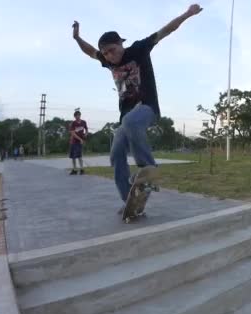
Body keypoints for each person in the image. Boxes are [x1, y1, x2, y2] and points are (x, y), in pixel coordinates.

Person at [71, 4, 203, 210]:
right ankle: (131, 201)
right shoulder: (108, 62)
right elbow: (90, 52)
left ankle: (148, 168)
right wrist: (77, 38)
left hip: (147, 108)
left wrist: (187, 14)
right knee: (115, 156)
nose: (109, 56)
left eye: (112, 51)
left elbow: (165, 31)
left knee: (130, 121)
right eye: (105, 54)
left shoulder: (139, 49)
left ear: (120, 44)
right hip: (126, 117)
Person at [69, 110, 88, 175]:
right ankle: (74, 169)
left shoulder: (84, 122)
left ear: (80, 115)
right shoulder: (73, 123)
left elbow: (86, 129)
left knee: (79, 155)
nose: (77, 116)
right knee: (73, 156)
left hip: (80, 142)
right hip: (74, 141)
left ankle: (82, 169)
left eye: (78, 115)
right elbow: (72, 133)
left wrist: (86, 133)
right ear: (74, 116)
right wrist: (80, 139)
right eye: (76, 116)